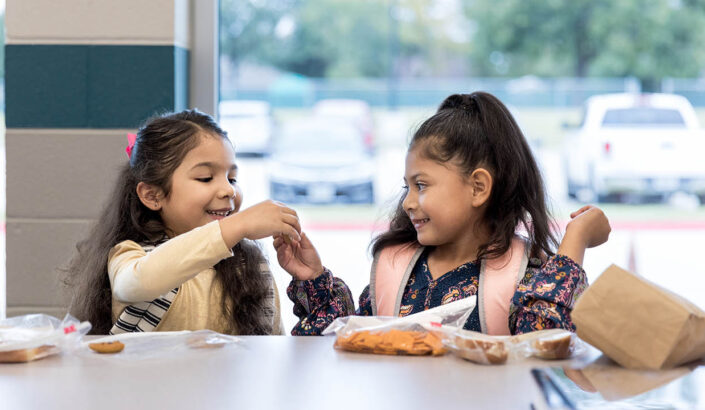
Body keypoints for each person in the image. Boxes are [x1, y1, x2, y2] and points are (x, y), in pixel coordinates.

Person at [274, 92, 611, 336]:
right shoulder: (398, 269)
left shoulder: (527, 274)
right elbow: (341, 339)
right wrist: (314, 279)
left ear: (478, 187)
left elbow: (545, 340)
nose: (408, 202)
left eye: (422, 185)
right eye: (407, 187)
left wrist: (575, 240)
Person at [64, 109, 303, 335]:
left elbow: (272, 344)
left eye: (232, 178)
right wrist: (237, 226)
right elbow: (135, 284)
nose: (228, 190)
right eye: (205, 178)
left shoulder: (248, 266)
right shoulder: (131, 254)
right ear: (152, 195)